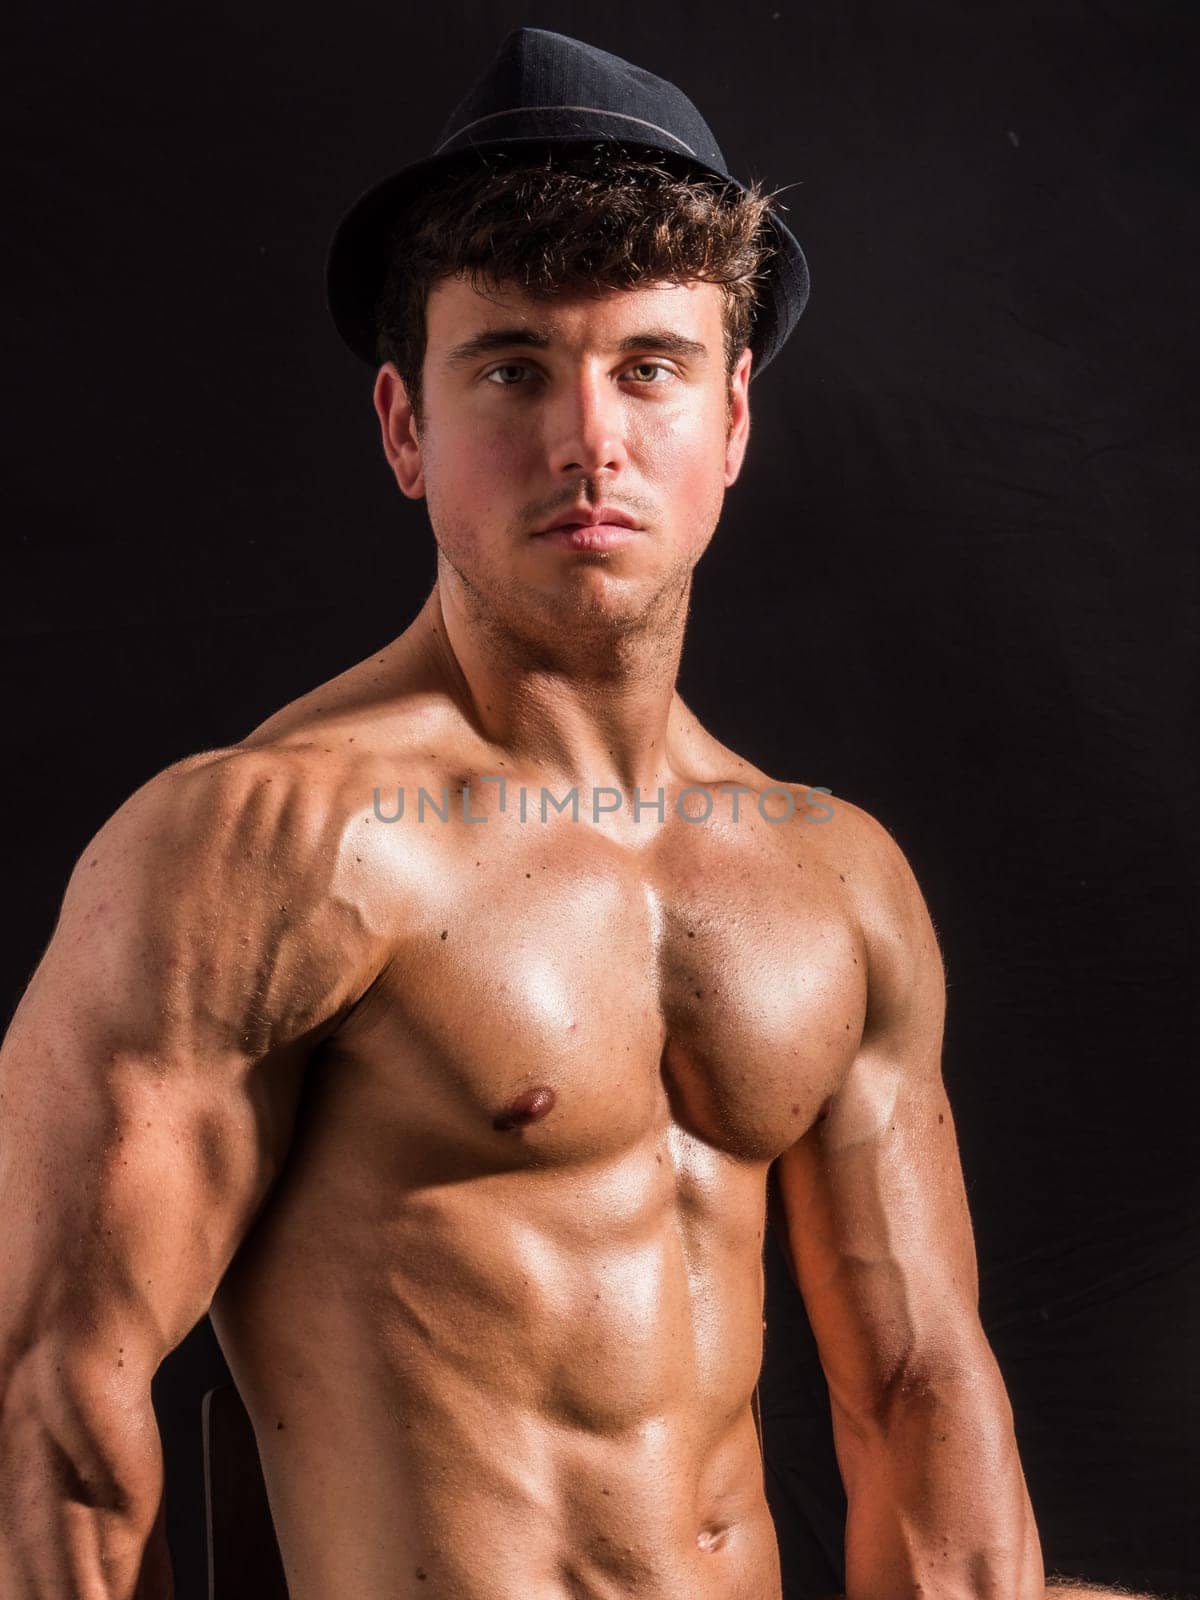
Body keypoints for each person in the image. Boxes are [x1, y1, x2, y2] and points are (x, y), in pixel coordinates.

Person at [0, 28, 1166, 1600]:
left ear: (734, 421)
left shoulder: (832, 873)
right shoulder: (265, 845)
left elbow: (918, 1393)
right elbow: (50, 1400)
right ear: (406, 429)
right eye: (513, 369)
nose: (588, 441)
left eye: (649, 367)